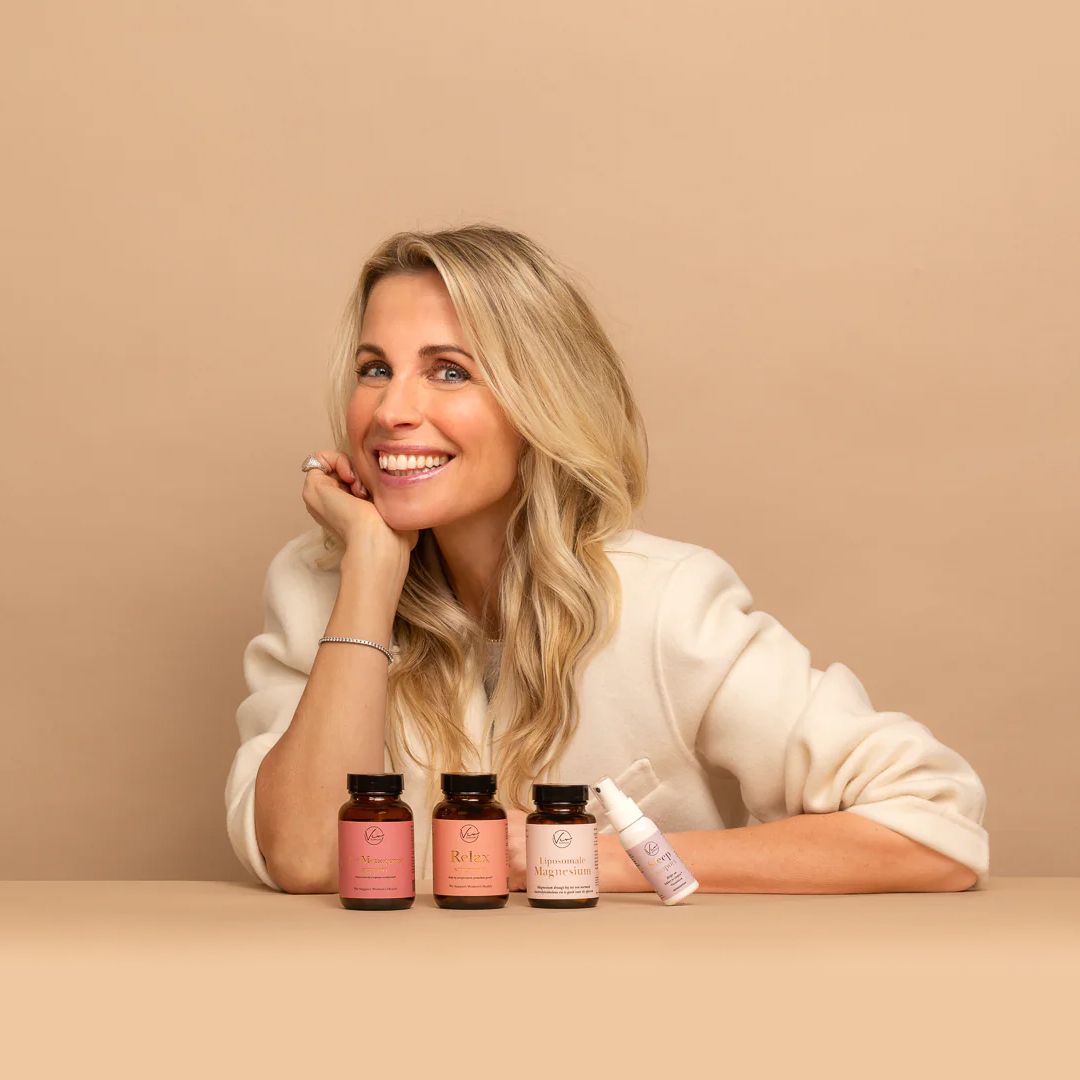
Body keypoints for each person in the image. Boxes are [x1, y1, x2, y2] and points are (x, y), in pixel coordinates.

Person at [225, 224, 989, 896]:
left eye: (449, 371)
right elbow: (308, 857)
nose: (392, 411)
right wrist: (369, 571)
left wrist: (596, 857)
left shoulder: (667, 604)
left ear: (540, 402)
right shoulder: (318, 585)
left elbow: (937, 828)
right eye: (374, 369)